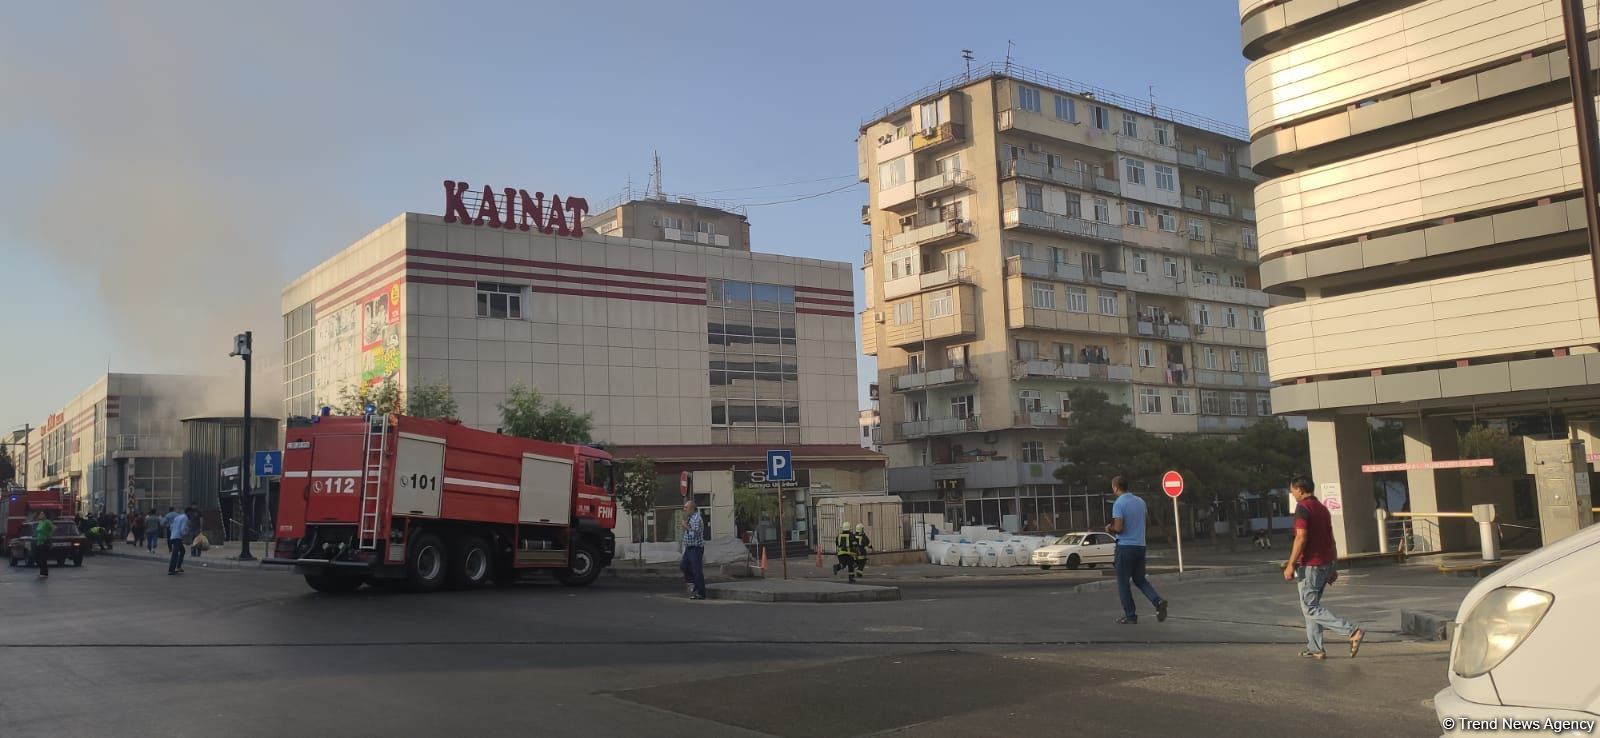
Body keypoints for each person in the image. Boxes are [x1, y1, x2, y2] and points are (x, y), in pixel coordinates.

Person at [1285, 476, 1365, 660]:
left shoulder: (1303, 508)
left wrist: (1290, 564)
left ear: (1300, 489)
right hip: (1325, 563)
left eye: (1293, 490)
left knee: (1310, 608)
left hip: (1311, 566)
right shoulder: (1322, 508)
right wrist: (1333, 566)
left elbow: (1300, 538)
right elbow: (1331, 539)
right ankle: (1315, 648)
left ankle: (1352, 631)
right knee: (1311, 607)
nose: (1292, 494)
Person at [1106, 475, 1169, 625]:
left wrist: (1110, 528)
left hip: (1125, 547)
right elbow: (1147, 522)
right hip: (1140, 546)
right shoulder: (1140, 502)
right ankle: (1157, 601)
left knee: (1123, 583)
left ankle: (1130, 615)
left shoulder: (1119, 503)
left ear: (1115, 487)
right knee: (1140, 579)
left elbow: (1119, 528)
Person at [678, 499, 706, 600]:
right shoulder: (690, 518)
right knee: (683, 566)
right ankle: (694, 583)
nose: (684, 509)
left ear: (692, 509)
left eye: (686, 507)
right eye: (684, 507)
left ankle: (701, 593)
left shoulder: (696, 519)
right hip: (689, 548)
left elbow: (695, 534)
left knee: (696, 570)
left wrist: (686, 527)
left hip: (696, 548)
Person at [167, 506, 189, 575]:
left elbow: (171, 527)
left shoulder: (178, 517)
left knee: (181, 551)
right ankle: (172, 569)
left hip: (173, 536)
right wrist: (185, 533)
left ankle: (178, 566)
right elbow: (182, 530)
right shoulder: (185, 518)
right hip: (177, 537)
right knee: (175, 553)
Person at [32, 512, 54, 579]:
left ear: (45, 515)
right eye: (40, 514)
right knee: (36, 557)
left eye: (41, 514)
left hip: (44, 542)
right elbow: (38, 531)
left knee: (43, 558)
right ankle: (42, 572)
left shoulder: (47, 522)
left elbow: (54, 528)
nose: (40, 515)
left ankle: (44, 573)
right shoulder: (40, 522)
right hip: (39, 542)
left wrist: (49, 536)